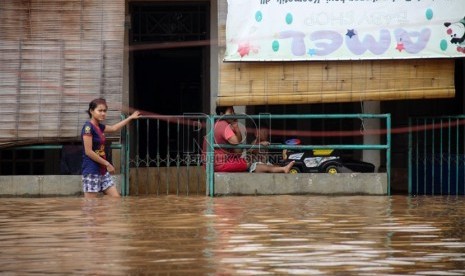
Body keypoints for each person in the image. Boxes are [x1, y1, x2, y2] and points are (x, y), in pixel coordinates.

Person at [81, 98, 141, 198]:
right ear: (91, 111)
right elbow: (88, 152)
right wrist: (107, 163)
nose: (103, 113)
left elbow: (114, 128)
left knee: (116, 199)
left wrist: (130, 118)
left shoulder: (99, 127)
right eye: (100, 110)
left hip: (103, 170)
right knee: (90, 205)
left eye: (105, 111)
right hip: (91, 170)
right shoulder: (88, 127)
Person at [211, 106, 294, 173]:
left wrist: (236, 127)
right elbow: (239, 144)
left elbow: (238, 143)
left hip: (233, 160)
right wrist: (259, 145)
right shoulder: (223, 125)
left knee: (272, 166)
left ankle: (283, 168)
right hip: (243, 164)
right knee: (260, 166)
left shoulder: (226, 125)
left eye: (233, 112)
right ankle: (283, 169)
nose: (234, 114)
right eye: (231, 112)